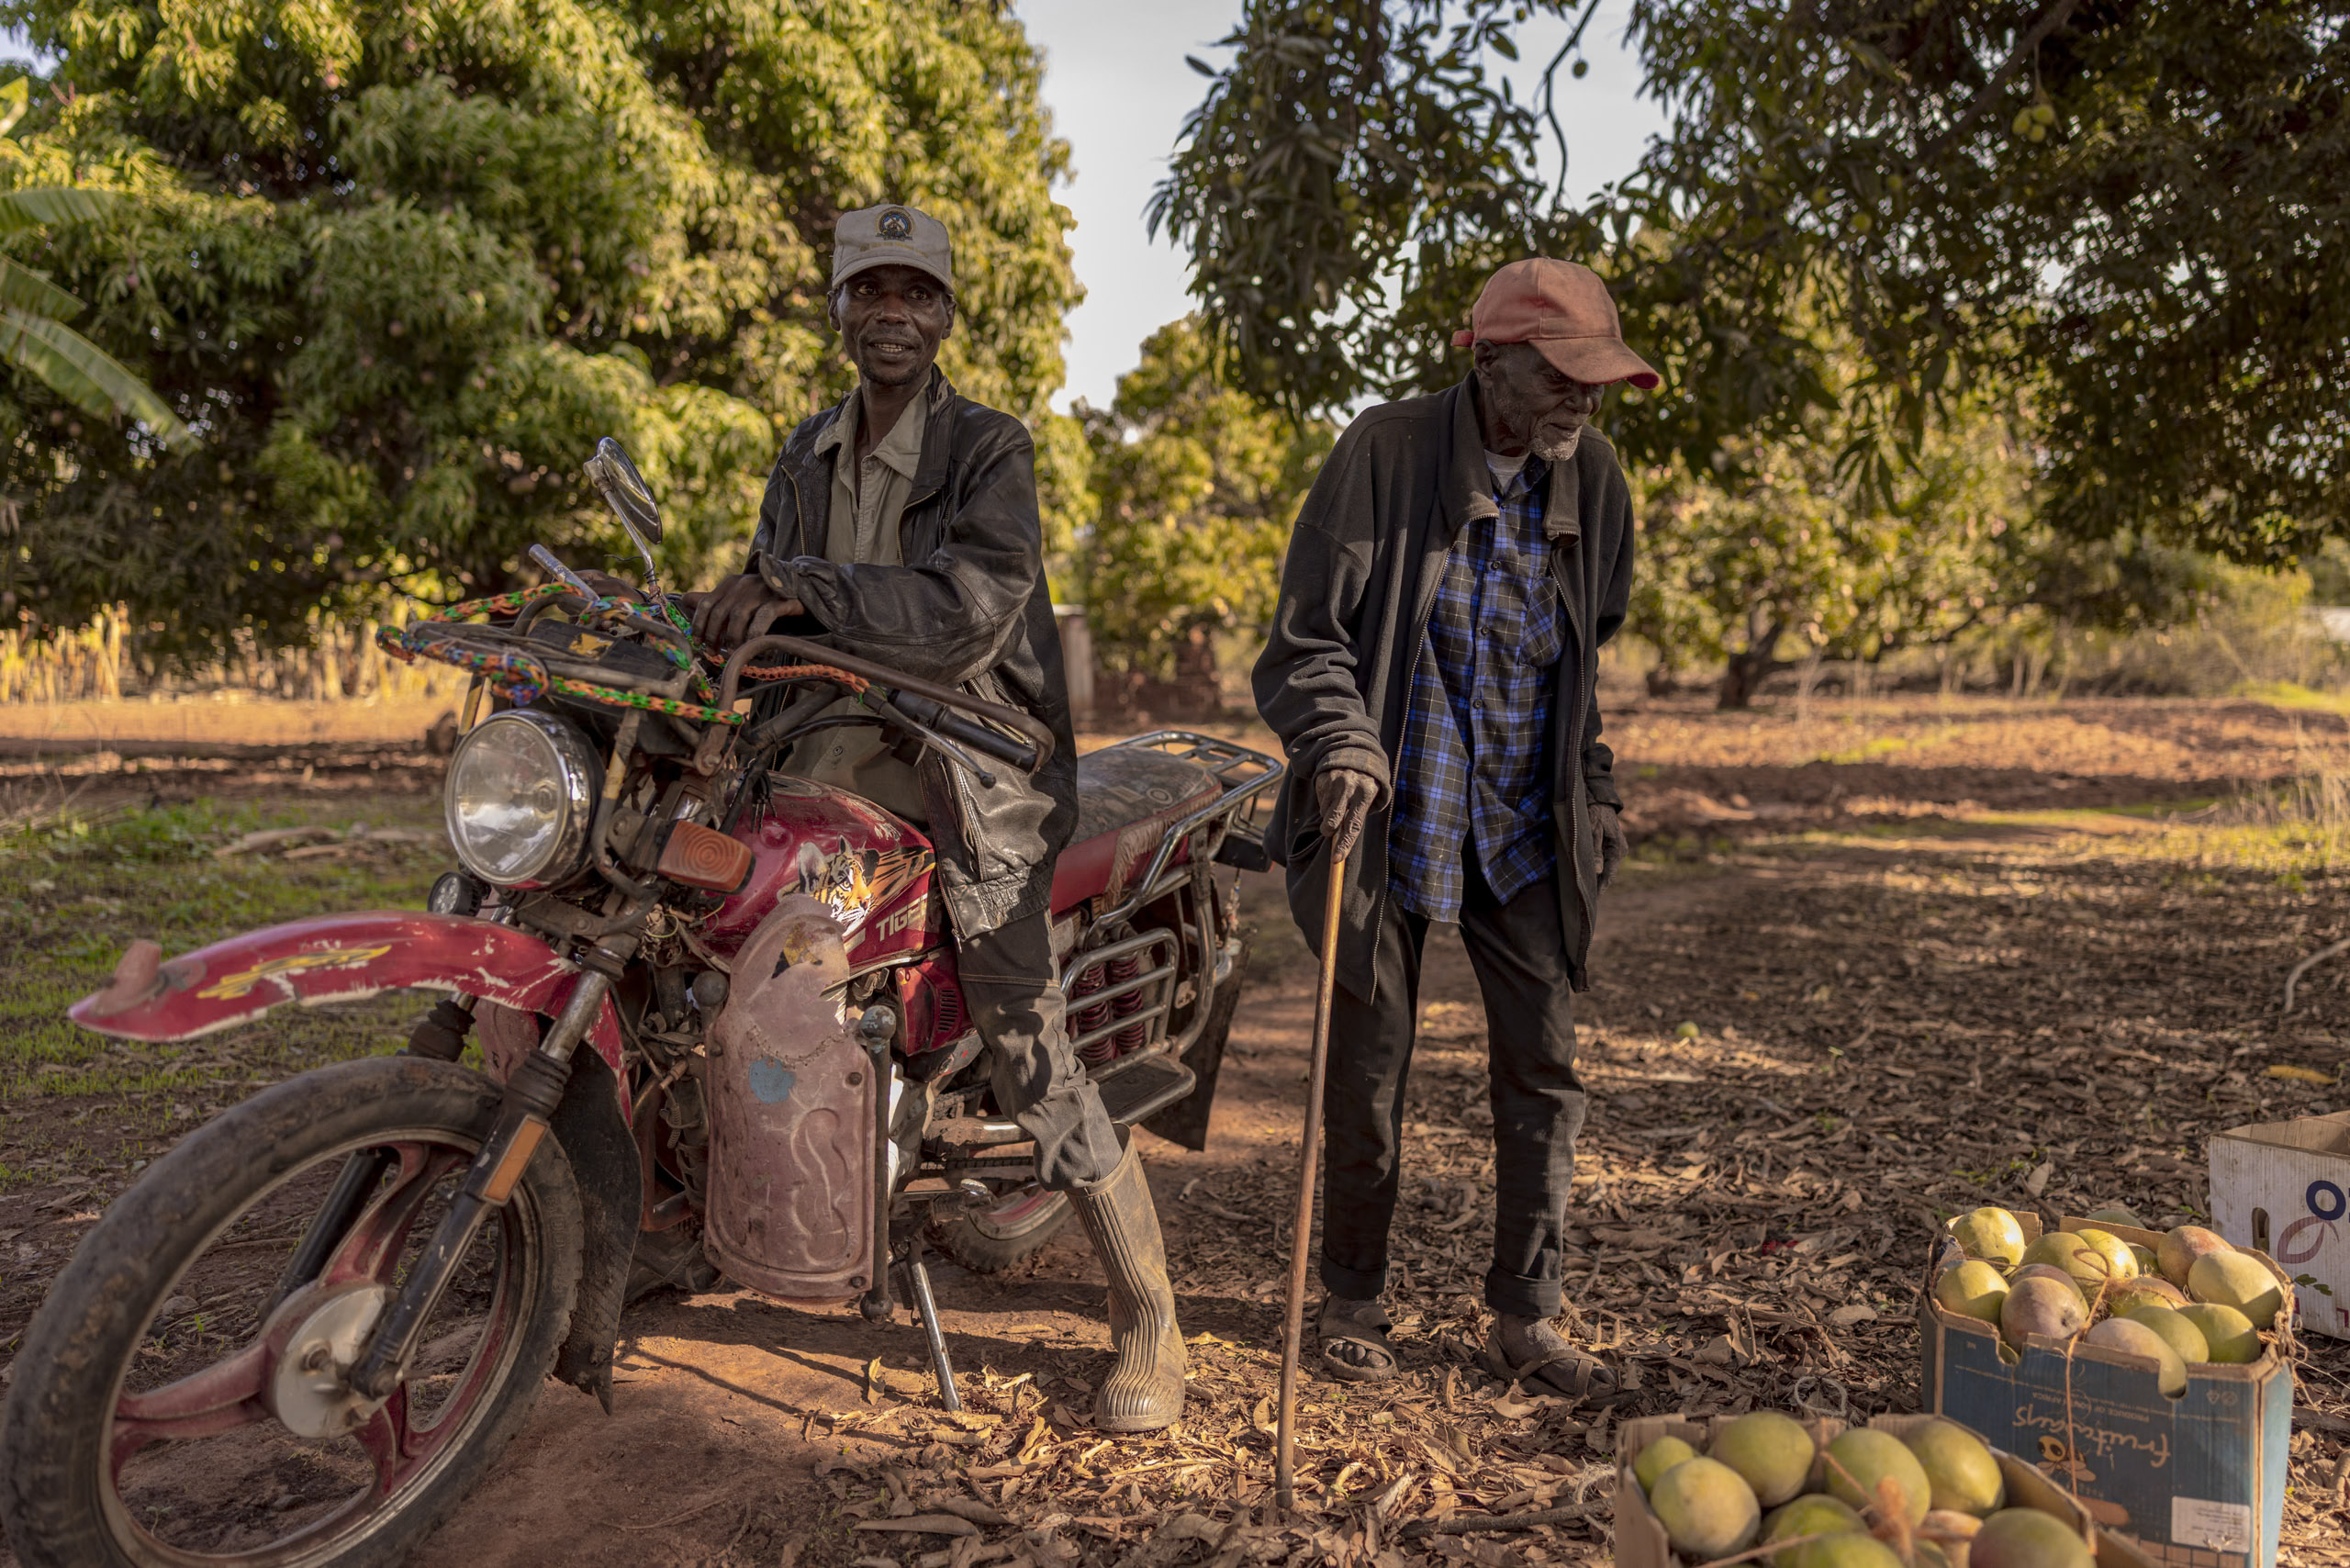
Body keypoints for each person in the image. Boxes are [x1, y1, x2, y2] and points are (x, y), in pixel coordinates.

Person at [688, 204, 1183, 1431]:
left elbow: (966, 612)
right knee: (689, 945)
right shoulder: (803, 455)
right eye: (872, 291)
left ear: (947, 314)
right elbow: (763, 600)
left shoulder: (987, 449)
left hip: (972, 768)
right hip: (819, 757)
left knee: (1023, 1032)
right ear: (841, 308)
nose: (893, 314)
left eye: (917, 294)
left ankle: (1151, 1319)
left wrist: (796, 589)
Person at [1253, 257, 1653, 1402]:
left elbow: (1582, 652)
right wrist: (1340, 741)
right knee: (1368, 1067)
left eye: (1596, 379)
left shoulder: (1597, 482)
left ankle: (1526, 1315)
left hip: (1524, 815)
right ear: (1489, 362)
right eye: (1562, 375)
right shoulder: (1385, 453)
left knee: (1545, 1067)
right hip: (1390, 807)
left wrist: (1594, 787)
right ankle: (1353, 1295)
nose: (1584, 398)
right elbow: (1303, 645)